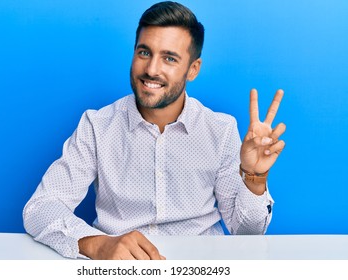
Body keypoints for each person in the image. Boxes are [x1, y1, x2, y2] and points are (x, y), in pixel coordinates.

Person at [23, 1, 286, 260]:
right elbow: (40, 208)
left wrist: (255, 176)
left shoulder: (220, 130)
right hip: (120, 270)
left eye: (169, 58)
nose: (151, 70)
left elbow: (247, 233)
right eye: (144, 53)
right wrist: (98, 245)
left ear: (193, 69)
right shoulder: (97, 125)